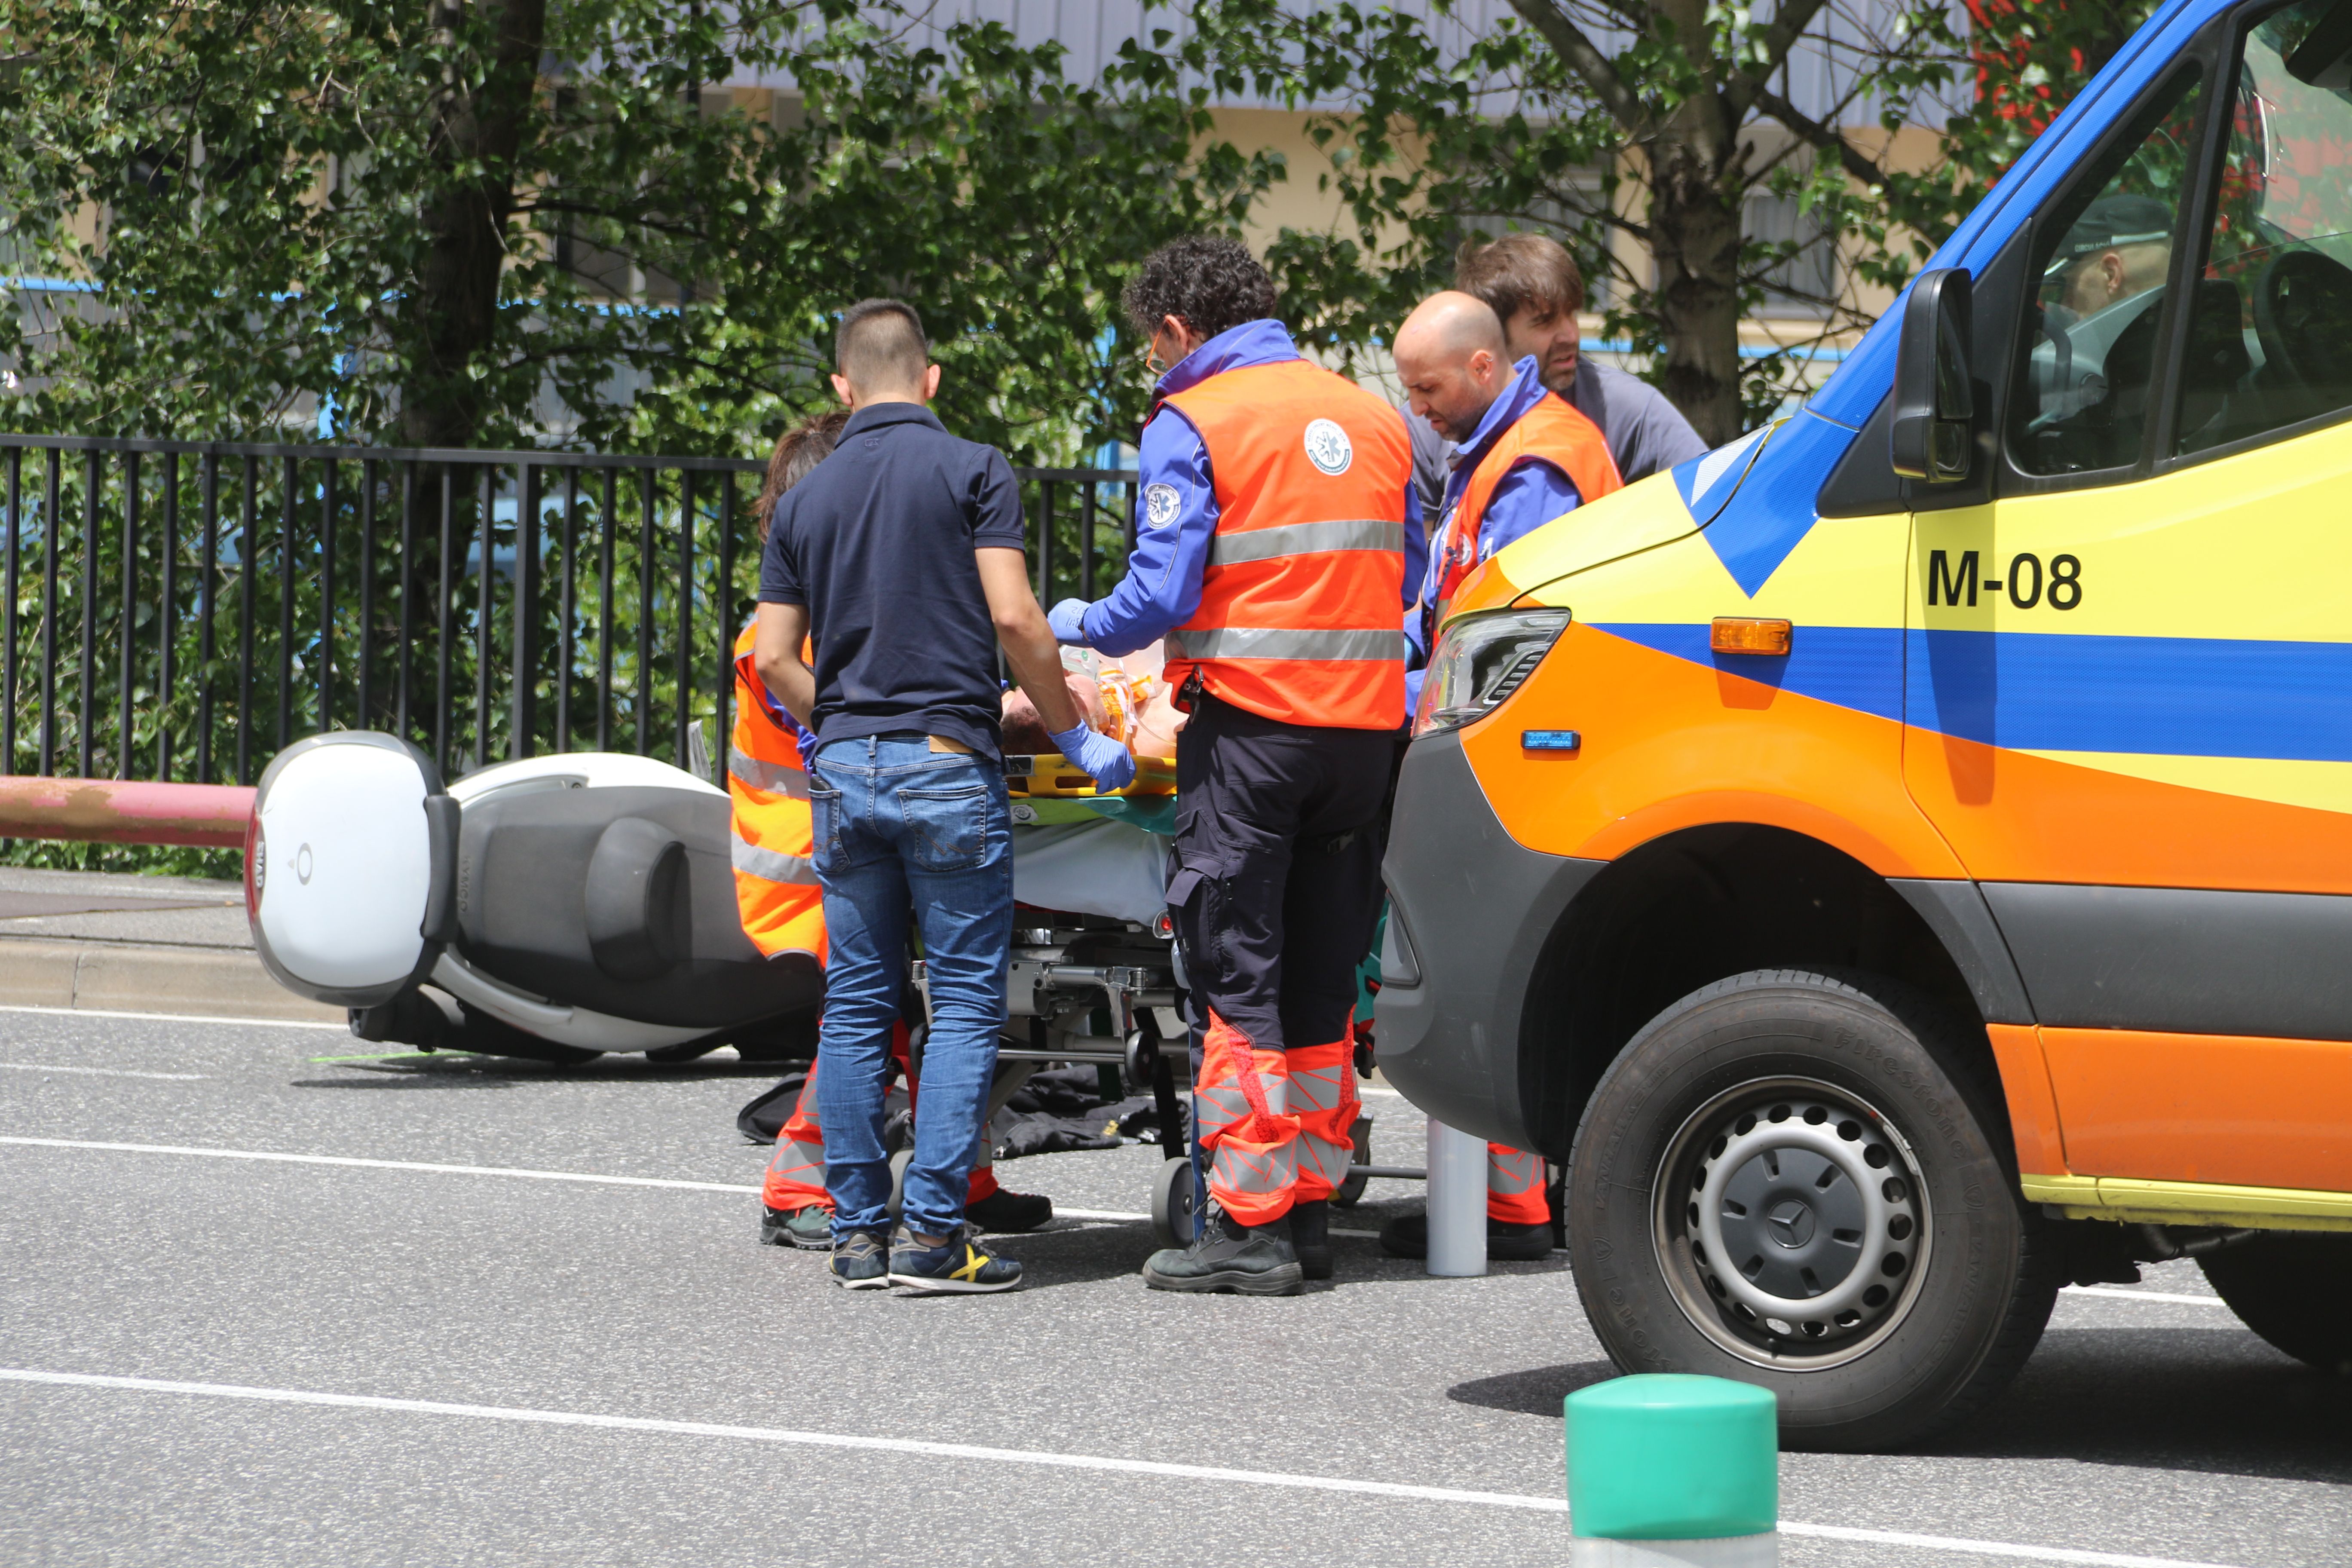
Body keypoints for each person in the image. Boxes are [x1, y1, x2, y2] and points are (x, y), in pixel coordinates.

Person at [1046, 236, 1424, 1295]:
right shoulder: (1372, 414)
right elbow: (1403, 579)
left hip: (1254, 734)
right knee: (1316, 976)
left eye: (1149, 346)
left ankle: (1245, 1227)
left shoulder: (1194, 422)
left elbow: (1160, 597)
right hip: (1362, 740)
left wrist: (1070, 619)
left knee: (1237, 975)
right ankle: (1305, 1212)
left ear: (1176, 330)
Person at [754, 298, 1133, 1294]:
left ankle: (854, 1235)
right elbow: (1014, 616)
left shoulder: (804, 500)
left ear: (842, 388)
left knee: (854, 1004)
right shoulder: (973, 469)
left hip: (843, 767)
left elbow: (776, 656)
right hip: (943, 758)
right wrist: (1075, 732)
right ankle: (932, 1236)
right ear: (929, 378)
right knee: (962, 1002)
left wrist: (832, 718)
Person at [738, 411, 1052, 1252]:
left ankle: (952, 1186)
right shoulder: (797, 628)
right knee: (892, 1013)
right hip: (797, 857)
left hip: (832, 822)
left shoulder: (818, 604)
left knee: (889, 1011)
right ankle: (804, 1184)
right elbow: (848, 705)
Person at [1385, 290, 1624, 1263]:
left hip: (1520, 744)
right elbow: (1449, 604)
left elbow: (1504, 629)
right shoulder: (1500, 450)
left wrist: (1390, 695)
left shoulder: (1532, 465)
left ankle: (1510, 1202)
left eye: (1427, 386)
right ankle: (1510, 1200)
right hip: (1516, 735)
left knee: (1487, 960)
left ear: (1482, 367)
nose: (1417, 406)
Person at [1451, 233, 1709, 487]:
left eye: (1572, 314)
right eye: (1545, 322)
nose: (1571, 336)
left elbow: (1711, 502)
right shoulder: (1437, 415)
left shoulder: (1631, 411)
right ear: (1492, 334)